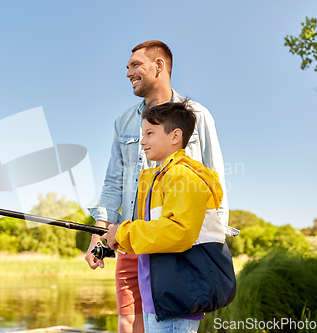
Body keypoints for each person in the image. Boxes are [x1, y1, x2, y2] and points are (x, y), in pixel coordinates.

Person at [85, 40, 229, 333]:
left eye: (135, 65)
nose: (127, 73)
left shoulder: (198, 116)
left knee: (172, 321)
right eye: (127, 67)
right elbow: (114, 180)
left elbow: (214, 180)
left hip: (176, 242)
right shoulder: (123, 122)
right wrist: (99, 235)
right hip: (129, 237)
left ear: (159, 66)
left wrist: (214, 247)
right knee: (129, 322)